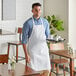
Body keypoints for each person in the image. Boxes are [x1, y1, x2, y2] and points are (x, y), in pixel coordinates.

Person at [22, 3, 51, 76]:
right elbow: (24, 41)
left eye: (39, 10)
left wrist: (54, 40)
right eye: (36, 10)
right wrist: (26, 55)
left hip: (44, 51)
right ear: (32, 11)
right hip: (33, 53)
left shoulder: (45, 22)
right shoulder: (27, 23)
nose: (38, 12)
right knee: (33, 73)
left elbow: (48, 36)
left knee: (46, 71)